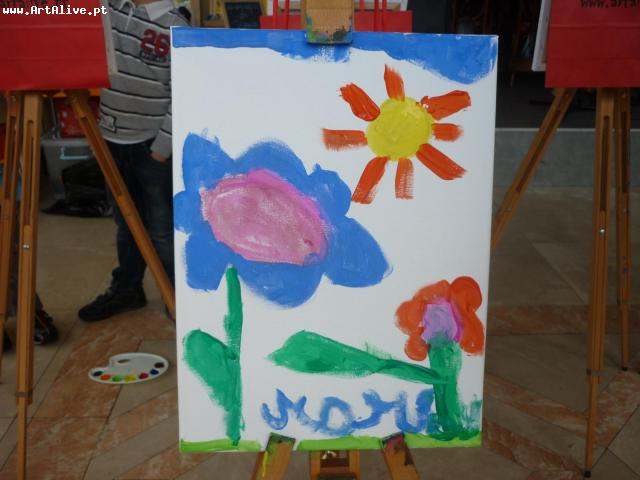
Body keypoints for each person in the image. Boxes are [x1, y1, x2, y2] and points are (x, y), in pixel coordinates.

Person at [78, 0, 188, 322]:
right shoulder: (106, 8)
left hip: (152, 147)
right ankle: (128, 288)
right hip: (111, 140)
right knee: (126, 223)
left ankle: (177, 296)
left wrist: (162, 148)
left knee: (161, 229)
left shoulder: (175, 24)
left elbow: (183, 94)